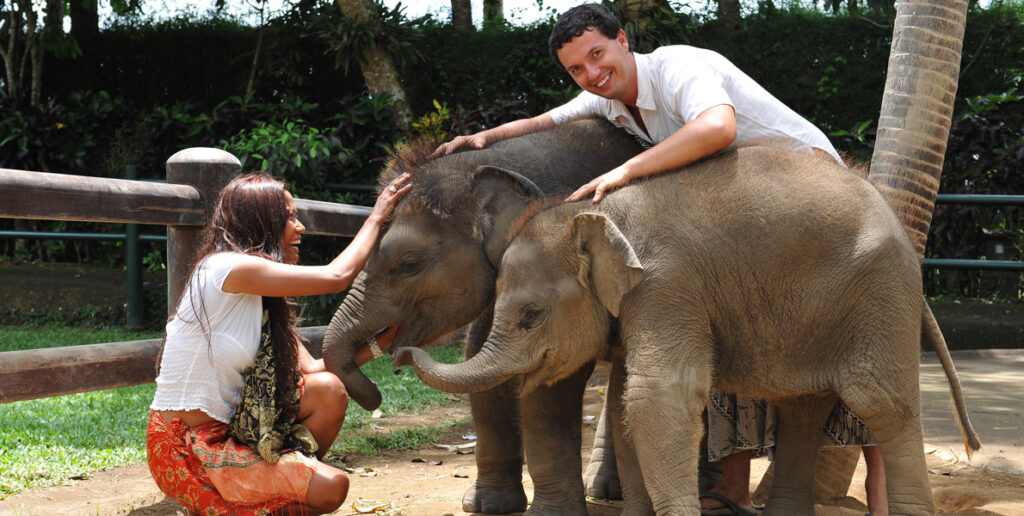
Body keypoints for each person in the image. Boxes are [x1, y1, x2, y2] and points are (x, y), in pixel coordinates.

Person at [434, 4, 884, 515]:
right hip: (747, 230)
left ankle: (887, 500)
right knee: (735, 352)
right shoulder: (608, 100)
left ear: (623, 41)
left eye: (598, 56)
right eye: (577, 69)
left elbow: (718, 127)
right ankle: (734, 489)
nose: (592, 74)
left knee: (847, 357)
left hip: (814, 209)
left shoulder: (678, 66)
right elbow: (550, 118)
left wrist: (626, 171)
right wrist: (484, 139)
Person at [147, 171, 411, 515]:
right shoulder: (225, 268)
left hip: (236, 436)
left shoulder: (259, 299)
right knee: (332, 487)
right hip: (186, 450)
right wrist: (378, 216)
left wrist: (381, 343)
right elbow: (336, 276)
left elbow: (315, 368)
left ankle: (266, 493)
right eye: (288, 217)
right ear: (260, 222)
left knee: (327, 390)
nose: (299, 227)